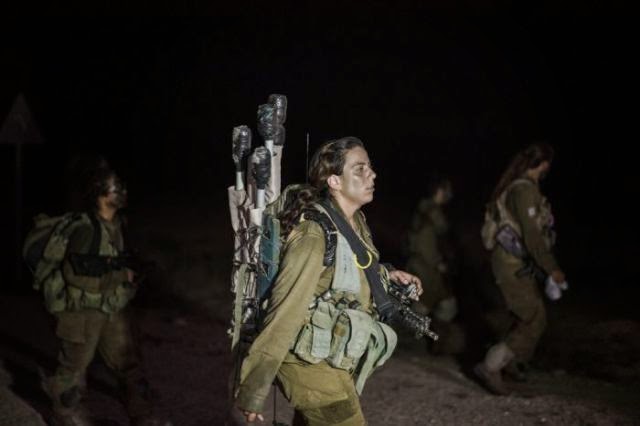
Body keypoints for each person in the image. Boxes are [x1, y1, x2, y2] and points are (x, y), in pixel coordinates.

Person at [235, 137, 422, 425]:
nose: (372, 174)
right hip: (305, 362)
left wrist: (386, 274)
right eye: (359, 169)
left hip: (329, 358)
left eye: (369, 167)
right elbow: (285, 311)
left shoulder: (354, 222)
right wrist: (253, 389)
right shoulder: (314, 234)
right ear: (334, 181)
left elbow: (346, 272)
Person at [43, 164, 157, 426]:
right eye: (116, 189)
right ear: (100, 194)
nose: (122, 193)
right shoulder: (86, 229)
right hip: (83, 311)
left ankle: (142, 414)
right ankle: (64, 415)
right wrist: (118, 277)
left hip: (112, 307)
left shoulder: (118, 224)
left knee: (128, 364)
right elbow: (74, 274)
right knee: (73, 368)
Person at [474, 143, 566, 395]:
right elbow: (533, 237)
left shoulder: (523, 188)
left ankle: (510, 365)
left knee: (525, 316)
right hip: (510, 264)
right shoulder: (523, 190)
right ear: (544, 165)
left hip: (516, 264)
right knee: (534, 318)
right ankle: (491, 366)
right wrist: (552, 269)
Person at [405, 176, 457, 324]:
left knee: (428, 301)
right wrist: (438, 262)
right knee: (429, 302)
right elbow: (425, 243)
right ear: (439, 191)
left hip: (421, 264)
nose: (450, 195)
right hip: (425, 266)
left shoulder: (426, 210)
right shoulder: (431, 214)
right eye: (447, 191)